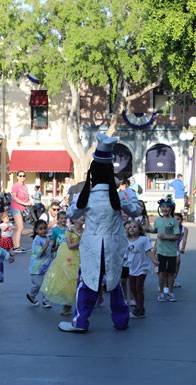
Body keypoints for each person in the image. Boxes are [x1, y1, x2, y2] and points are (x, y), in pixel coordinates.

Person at [59, 134, 141, 333]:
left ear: (92, 174)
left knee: (87, 281)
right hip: (113, 245)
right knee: (113, 282)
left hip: (92, 246)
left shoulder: (84, 196)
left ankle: (80, 322)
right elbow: (136, 210)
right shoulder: (118, 197)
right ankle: (121, 320)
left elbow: (71, 213)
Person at [41, 215, 84, 316]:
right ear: (74, 219)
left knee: (78, 280)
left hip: (81, 255)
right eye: (80, 216)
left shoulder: (85, 230)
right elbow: (70, 246)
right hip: (68, 255)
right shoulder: (69, 230)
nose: (82, 217)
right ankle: (67, 306)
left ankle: (80, 305)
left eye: (83, 216)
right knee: (68, 280)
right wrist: (81, 241)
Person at [147, 196, 180, 302]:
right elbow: (155, 230)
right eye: (162, 207)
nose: (164, 209)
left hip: (171, 252)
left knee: (170, 273)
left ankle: (170, 292)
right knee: (161, 272)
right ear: (160, 208)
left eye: (167, 207)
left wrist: (165, 237)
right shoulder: (157, 220)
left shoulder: (174, 221)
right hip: (161, 251)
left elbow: (177, 236)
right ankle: (161, 292)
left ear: (171, 209)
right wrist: (148, 229)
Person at [124, 220, 159, 319]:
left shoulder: (143, 240)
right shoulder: (126, 241)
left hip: (142, 267)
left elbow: (149, 252)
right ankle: (138, 305)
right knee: (132, 287)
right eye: (130, 227)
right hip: (132, 268)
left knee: (138, 287)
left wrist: (154, 261)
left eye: (134, 227)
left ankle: (141, 309)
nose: (132, 228)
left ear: (139, 230)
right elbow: (125, 256)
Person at [25, 220, 53, 308]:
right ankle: (31, 295)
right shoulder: (37, 240)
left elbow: (49, 251)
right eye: (41, 229)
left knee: (47, 283)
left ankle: (45, 300)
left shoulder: (47, 239)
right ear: (36, 230)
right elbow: (39, 253)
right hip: (37, 267)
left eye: (45, 228)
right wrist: (47, 244)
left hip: (47, 265)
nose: (44, 230)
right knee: (38, 284)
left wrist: (54, 248)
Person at [9, 171, 31, 253]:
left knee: (17, 228)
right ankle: (17, 246)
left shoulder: (25, 186)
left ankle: (15, 245)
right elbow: (14, 197)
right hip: (16, 207)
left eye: (23, 176)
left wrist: (28, 202)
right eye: (20, 176)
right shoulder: (15, 186)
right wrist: (24, 203)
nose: (22, 177)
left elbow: (26, 197)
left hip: (22, 208)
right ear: (17, 177)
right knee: (20, 227)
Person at [173, 213, 188, 288]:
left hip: (176, 247)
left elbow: (184, 239)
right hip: (168, 247)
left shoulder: (184, 229)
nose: (176, 221)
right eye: (174, 219)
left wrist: (183, 248)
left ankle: (174, 279)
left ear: (181, 220)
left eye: (178, 219)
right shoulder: (170, 227)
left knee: (178, 261)